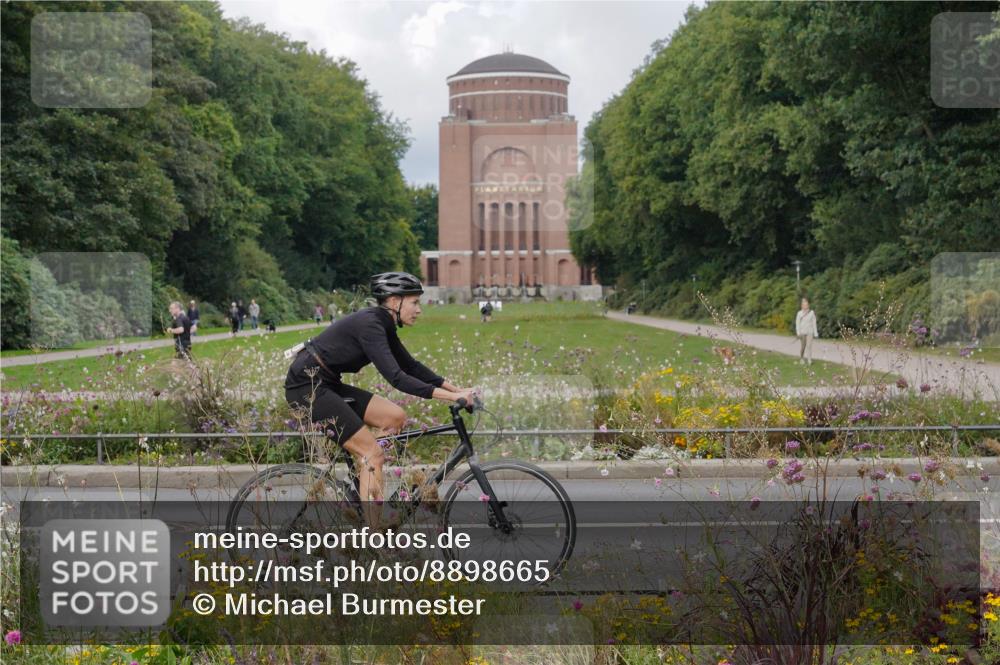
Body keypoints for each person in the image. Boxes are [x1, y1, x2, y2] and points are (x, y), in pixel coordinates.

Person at [284, 272, 476, 524]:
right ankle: (373, 538)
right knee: (372, 454)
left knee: (395, 417)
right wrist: (450, 398)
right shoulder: (371, 325)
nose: (419, 310)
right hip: (306, 387)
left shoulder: (383, 324)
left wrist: (457, 390)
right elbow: (396, 377)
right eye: (414, 303)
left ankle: (365, 480)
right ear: (395, 302)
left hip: (327, 382)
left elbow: (411, 366)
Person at [795, 297, 819, 365]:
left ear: (808, 305)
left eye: (806, 305)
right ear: (802, 306)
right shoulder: (799, 313)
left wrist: (816, 333)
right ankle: (802, 358)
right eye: (804, 305)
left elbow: (814, 323)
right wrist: (798, 333)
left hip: (810, 332)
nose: (805, 306)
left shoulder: (811, 313)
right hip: (802, 332)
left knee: (809, 346)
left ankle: (809, 360)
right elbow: (797, 324)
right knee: (803, 347)